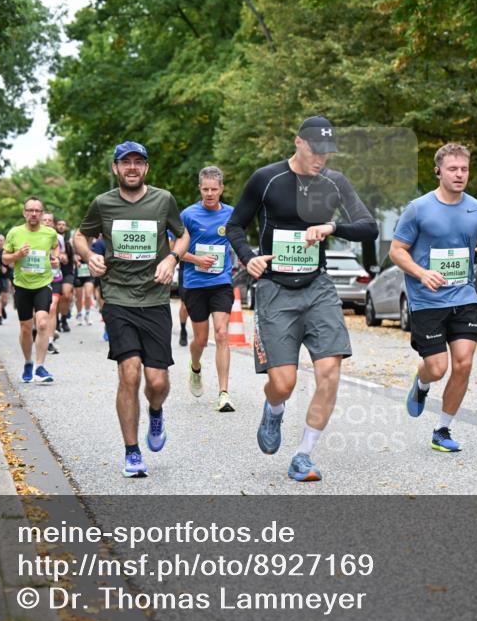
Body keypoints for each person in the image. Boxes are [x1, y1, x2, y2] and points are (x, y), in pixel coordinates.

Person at [226, 115, 379, 482]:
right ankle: (274, 407)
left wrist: (332, 227)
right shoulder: (266, 179)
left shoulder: (334, 182)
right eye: (315, 150)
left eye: (327, 152)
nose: (321, 158)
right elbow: (234, 226)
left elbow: (369, 226)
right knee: (284, 383)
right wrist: (250, 259)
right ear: (297, 143)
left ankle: (303, 455)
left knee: (330, 372)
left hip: (318, 288)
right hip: (275, 289)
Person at [73, 141, 186, 479]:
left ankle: (155, 410)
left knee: (157, 381)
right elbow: (81, 235)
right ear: (116, 168)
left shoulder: (163, 200)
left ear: (146, 168)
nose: (132, 168)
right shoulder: (103, 204)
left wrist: (172, 257)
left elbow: (183, 236)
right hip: (118, 298)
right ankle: (132, 452)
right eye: (126, 163)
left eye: (139, 162)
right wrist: (88, 254)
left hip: (154, 300)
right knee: (130, 373)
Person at [392, 143, 477, 452]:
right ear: (438, 171)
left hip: (464, 296)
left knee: (464, 363)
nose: (459, 174)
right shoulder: (418, 208)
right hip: (427, 299)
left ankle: (442, 429)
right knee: (437, 367)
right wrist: (421, 273)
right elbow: (396, 251)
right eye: (453, 169)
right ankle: (422, 382)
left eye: (464, 169)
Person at [179, 166, 237, 412]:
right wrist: (197, 260)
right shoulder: (188, 215)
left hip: (222, 282)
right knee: (201, 340)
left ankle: (224, 393)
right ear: (200, 189)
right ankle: (195, 367)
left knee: (222, 334)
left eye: (214, 189)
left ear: (222, 189)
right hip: (195, 283)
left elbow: (239, 240)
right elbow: (176, 249)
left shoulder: (233, 214)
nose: (210, 194)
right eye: (205, 189)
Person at [3, 196, 59, 383]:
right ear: (24, 212)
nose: (33, 214)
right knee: (26, 329)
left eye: (37, 210)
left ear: (42, 214)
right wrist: (18, 254)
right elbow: (4, 258)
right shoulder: (14, 233)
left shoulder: (50, 233)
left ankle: (40, 367)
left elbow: (55, 248)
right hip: (22, 285)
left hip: (43, 283)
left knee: (42, 323)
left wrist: (55, 258)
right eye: (30, 210)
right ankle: (28, 363)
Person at [41, 212, 64, 355]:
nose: (47, 222)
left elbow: (61, 255)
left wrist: (57, 259)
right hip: (38, 279)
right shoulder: (33, 236)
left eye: (50, 220)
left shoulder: (58, 238)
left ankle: (49, 342)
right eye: (45, 220)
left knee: (53, 307)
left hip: (55, 277)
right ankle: (39, 331)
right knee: (40, 311)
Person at [56, 218, 76, 332]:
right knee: (57, 298)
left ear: (66, 227)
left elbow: (71, 256)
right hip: (54, 272)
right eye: (59, 224)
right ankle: (56, 321)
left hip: (67, 272)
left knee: (66, 296)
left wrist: (76, 259)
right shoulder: (51, 239)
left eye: (63, 225)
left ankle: (64, 319)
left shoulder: (69, 242)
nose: (61, 226)